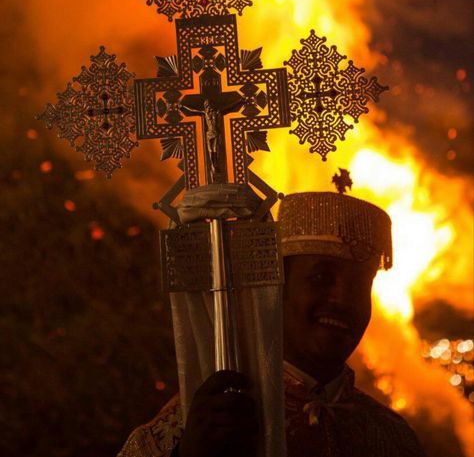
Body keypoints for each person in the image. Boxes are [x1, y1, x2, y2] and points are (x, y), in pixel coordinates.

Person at [118, 188, 426, 457]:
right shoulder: (207, 422)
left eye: (360, 285)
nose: (342, 300)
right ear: (278, 290)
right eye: (321, 278)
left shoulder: (391, 438)